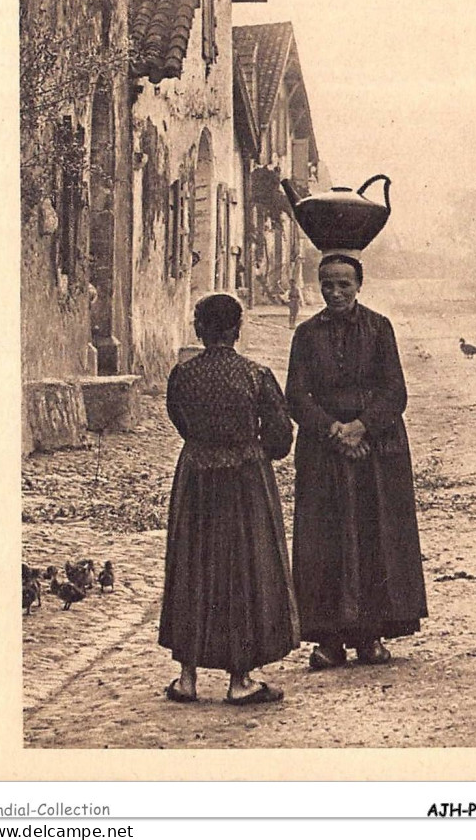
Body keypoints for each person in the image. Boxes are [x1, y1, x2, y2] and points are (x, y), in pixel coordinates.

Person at [285, 254, 427, 670]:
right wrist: (333, 430)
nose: (336, 293)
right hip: (323, 453)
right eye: (328, 284)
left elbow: (395, 391)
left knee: (373, 537)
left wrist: (363, 427)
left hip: (376, 453)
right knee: (324, 544)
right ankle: (328, 640)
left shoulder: (380, 329)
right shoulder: (306, 335)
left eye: (344, 284)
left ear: (359, 285)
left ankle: (371, 635)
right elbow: (297, 395)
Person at [159, 293, 299, 705]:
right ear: (238, 329)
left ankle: (186, 678)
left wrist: (206, 443)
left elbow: (181, 422)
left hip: (197, 478)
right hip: (244, 482)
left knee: (192, 567)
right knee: (242, 570)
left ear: (199, 329)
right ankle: (241, 679)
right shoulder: (256, 375)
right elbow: (279, 436)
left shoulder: (181, 377)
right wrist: (254, 450)